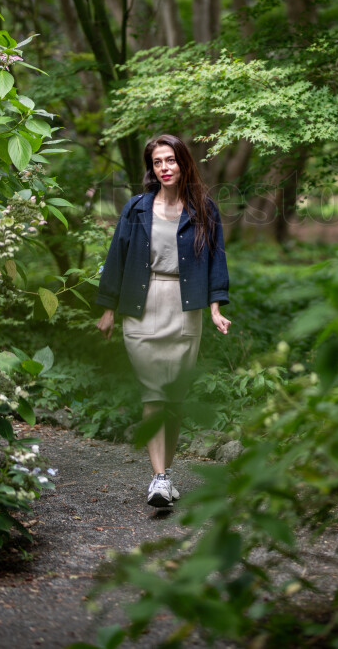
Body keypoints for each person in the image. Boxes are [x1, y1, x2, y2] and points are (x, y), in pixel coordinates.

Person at [95, 134, 231, 508]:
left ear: (183, 163)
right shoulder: (136, 208)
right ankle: (158, 478)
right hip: (141, 304)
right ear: (151, 169)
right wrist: (108, 309)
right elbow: (117, 256)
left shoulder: (203, 208)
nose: (164, 168)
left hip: (184, 307)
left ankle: (165, 475)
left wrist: (216, 308)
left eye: (170, 160)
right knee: (153, 393)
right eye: (157, 162)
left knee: (173, 398)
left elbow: (216, 259)